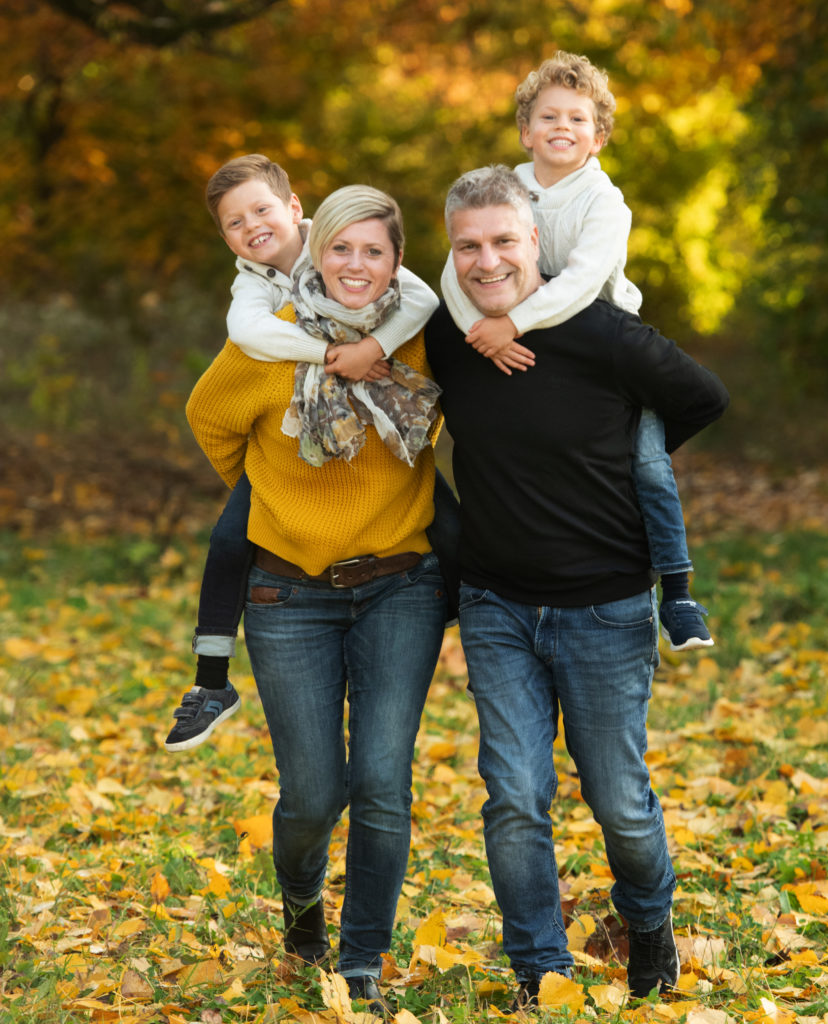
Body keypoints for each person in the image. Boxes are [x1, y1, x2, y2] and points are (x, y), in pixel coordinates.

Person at [425, 165, 729, 1008]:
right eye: (469, 246)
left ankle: (650, 924)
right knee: (515, 796)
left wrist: (631, 452)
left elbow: (704, 397)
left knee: (618, 802)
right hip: (496, 605)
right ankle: (539, 970)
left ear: (538, 242)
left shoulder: (601, 332)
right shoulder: (449, 335)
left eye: (505, 242)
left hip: (606, 604)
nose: (487, 262)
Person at [186, 184, 448, 1017]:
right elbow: (210, 418)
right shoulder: (271, 341)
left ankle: (363, 957)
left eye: (375, 251)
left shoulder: (418, 340)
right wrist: (269, 493)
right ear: (313, 248)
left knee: (381, 781)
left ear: (397, 263)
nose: (356, 266)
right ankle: (302, 916)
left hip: (400, 585)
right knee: (311, 793)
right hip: (285, 594)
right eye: (341, 250)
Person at [164, 154, 442, 753]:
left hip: (380, 454)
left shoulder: (344, 245)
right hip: (293, 460)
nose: (252, 227)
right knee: (229, 539)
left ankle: (481, 631)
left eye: (262, 209)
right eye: (233, 223)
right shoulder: (253, 284)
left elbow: (420, 299)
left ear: (295, 209)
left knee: (447, 521)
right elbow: (250, 336)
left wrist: (372, 346)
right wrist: (325, 357)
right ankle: (211, 682)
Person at [440, 51, 712, 654]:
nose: (562, 127)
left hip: (600, 338)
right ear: (525, 131)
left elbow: (584, 282)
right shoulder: (506, 189)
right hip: (523, 325)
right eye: (549, 116)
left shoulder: (605, 202)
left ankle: (679, 589)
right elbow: (450, 275)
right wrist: (480, 336)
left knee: (645, 465)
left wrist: (511, 321)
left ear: (599, 138)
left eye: (578, 119)